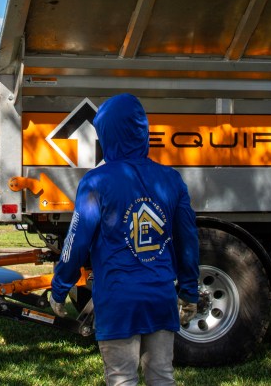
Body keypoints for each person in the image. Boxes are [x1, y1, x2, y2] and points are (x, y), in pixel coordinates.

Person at [50, 94, 199, 386]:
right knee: (162, 377)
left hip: (118, 299)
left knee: (121, 379)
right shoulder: (171, 180)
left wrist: (59, 287)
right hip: (160, 298)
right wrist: (189, 292)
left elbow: (76, 243)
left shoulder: (95, 182)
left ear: (106, 133)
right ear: (143, 131)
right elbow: (188, 242)